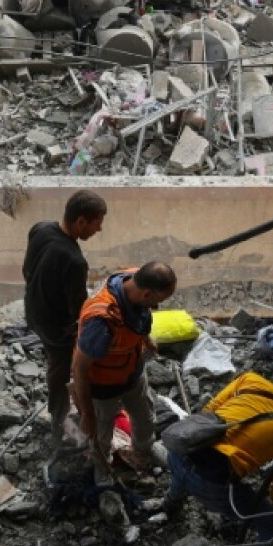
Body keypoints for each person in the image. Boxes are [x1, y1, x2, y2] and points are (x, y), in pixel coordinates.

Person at [161, 370, 273, 543]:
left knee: (187, 467)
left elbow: (209, 410)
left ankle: (170, 504)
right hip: (211, 486)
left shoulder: (251, 380)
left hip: (178, 452)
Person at [72, 262, 177, 485]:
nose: (157, 307)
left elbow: (140, 318)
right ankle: (103, 467)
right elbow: (79, 368)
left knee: (144, 417)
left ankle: (143, 449)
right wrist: (87, 414)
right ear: (147, 293)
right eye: (158, 301)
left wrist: (145, 340)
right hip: (103, 386)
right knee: (101, 432)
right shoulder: (101, 322)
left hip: (132, 373)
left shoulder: (134, 279)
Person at [23, 190, 107, 448]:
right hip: (55, 328)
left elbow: (27, 269)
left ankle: (62, 411)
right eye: (96, 223)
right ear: (81, 221)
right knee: (60, 370)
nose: (99, 229)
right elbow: (78, 312)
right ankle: (59, 421)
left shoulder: (41, 229)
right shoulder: (74, 261)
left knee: (55, 363)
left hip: (34, 311)